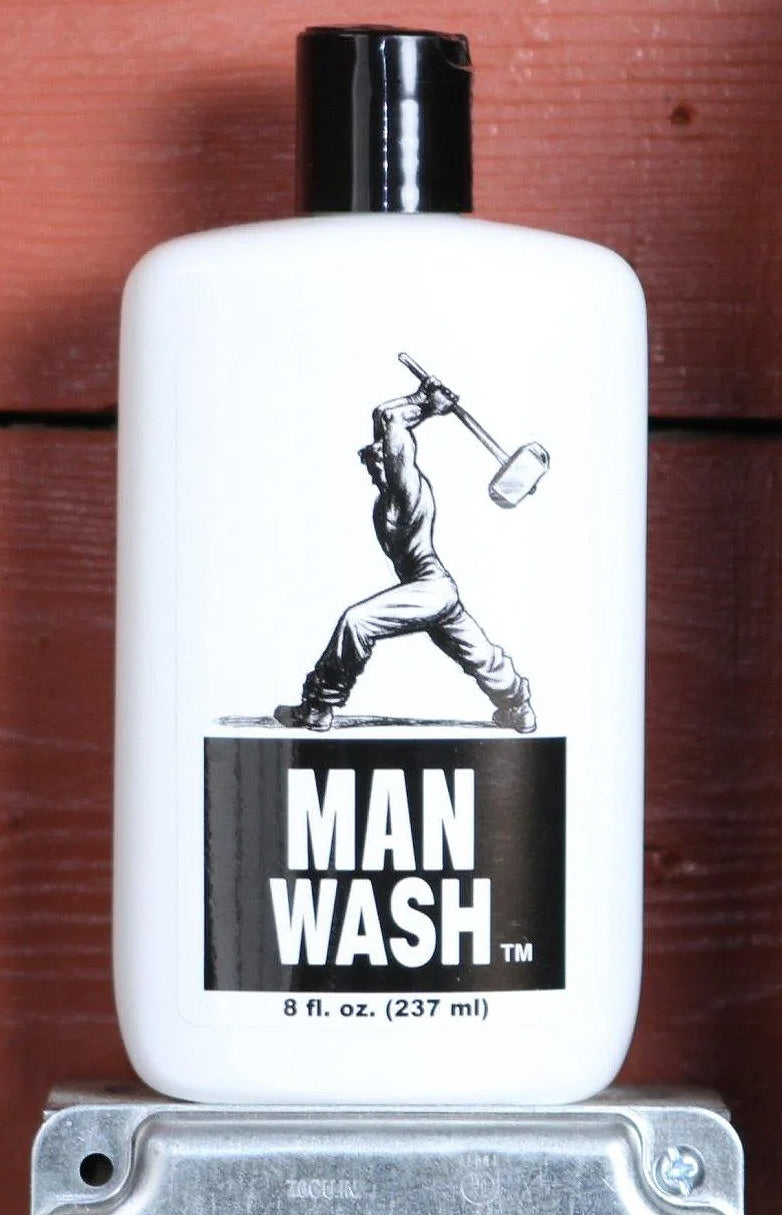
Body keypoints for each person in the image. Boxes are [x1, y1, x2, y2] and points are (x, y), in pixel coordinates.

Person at [275, 377, 536, 733]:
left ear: (395, 459)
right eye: (370, 457)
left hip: (430, 587)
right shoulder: (386, 498)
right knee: (478, 654)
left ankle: (318, 708)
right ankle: (518, 708)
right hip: (431, 591)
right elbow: (383, 417)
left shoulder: (407, 489)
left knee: (357, 622)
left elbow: (392, 420)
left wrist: (428, 406)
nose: (371, 461)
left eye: (379, 455)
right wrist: (421, 397)